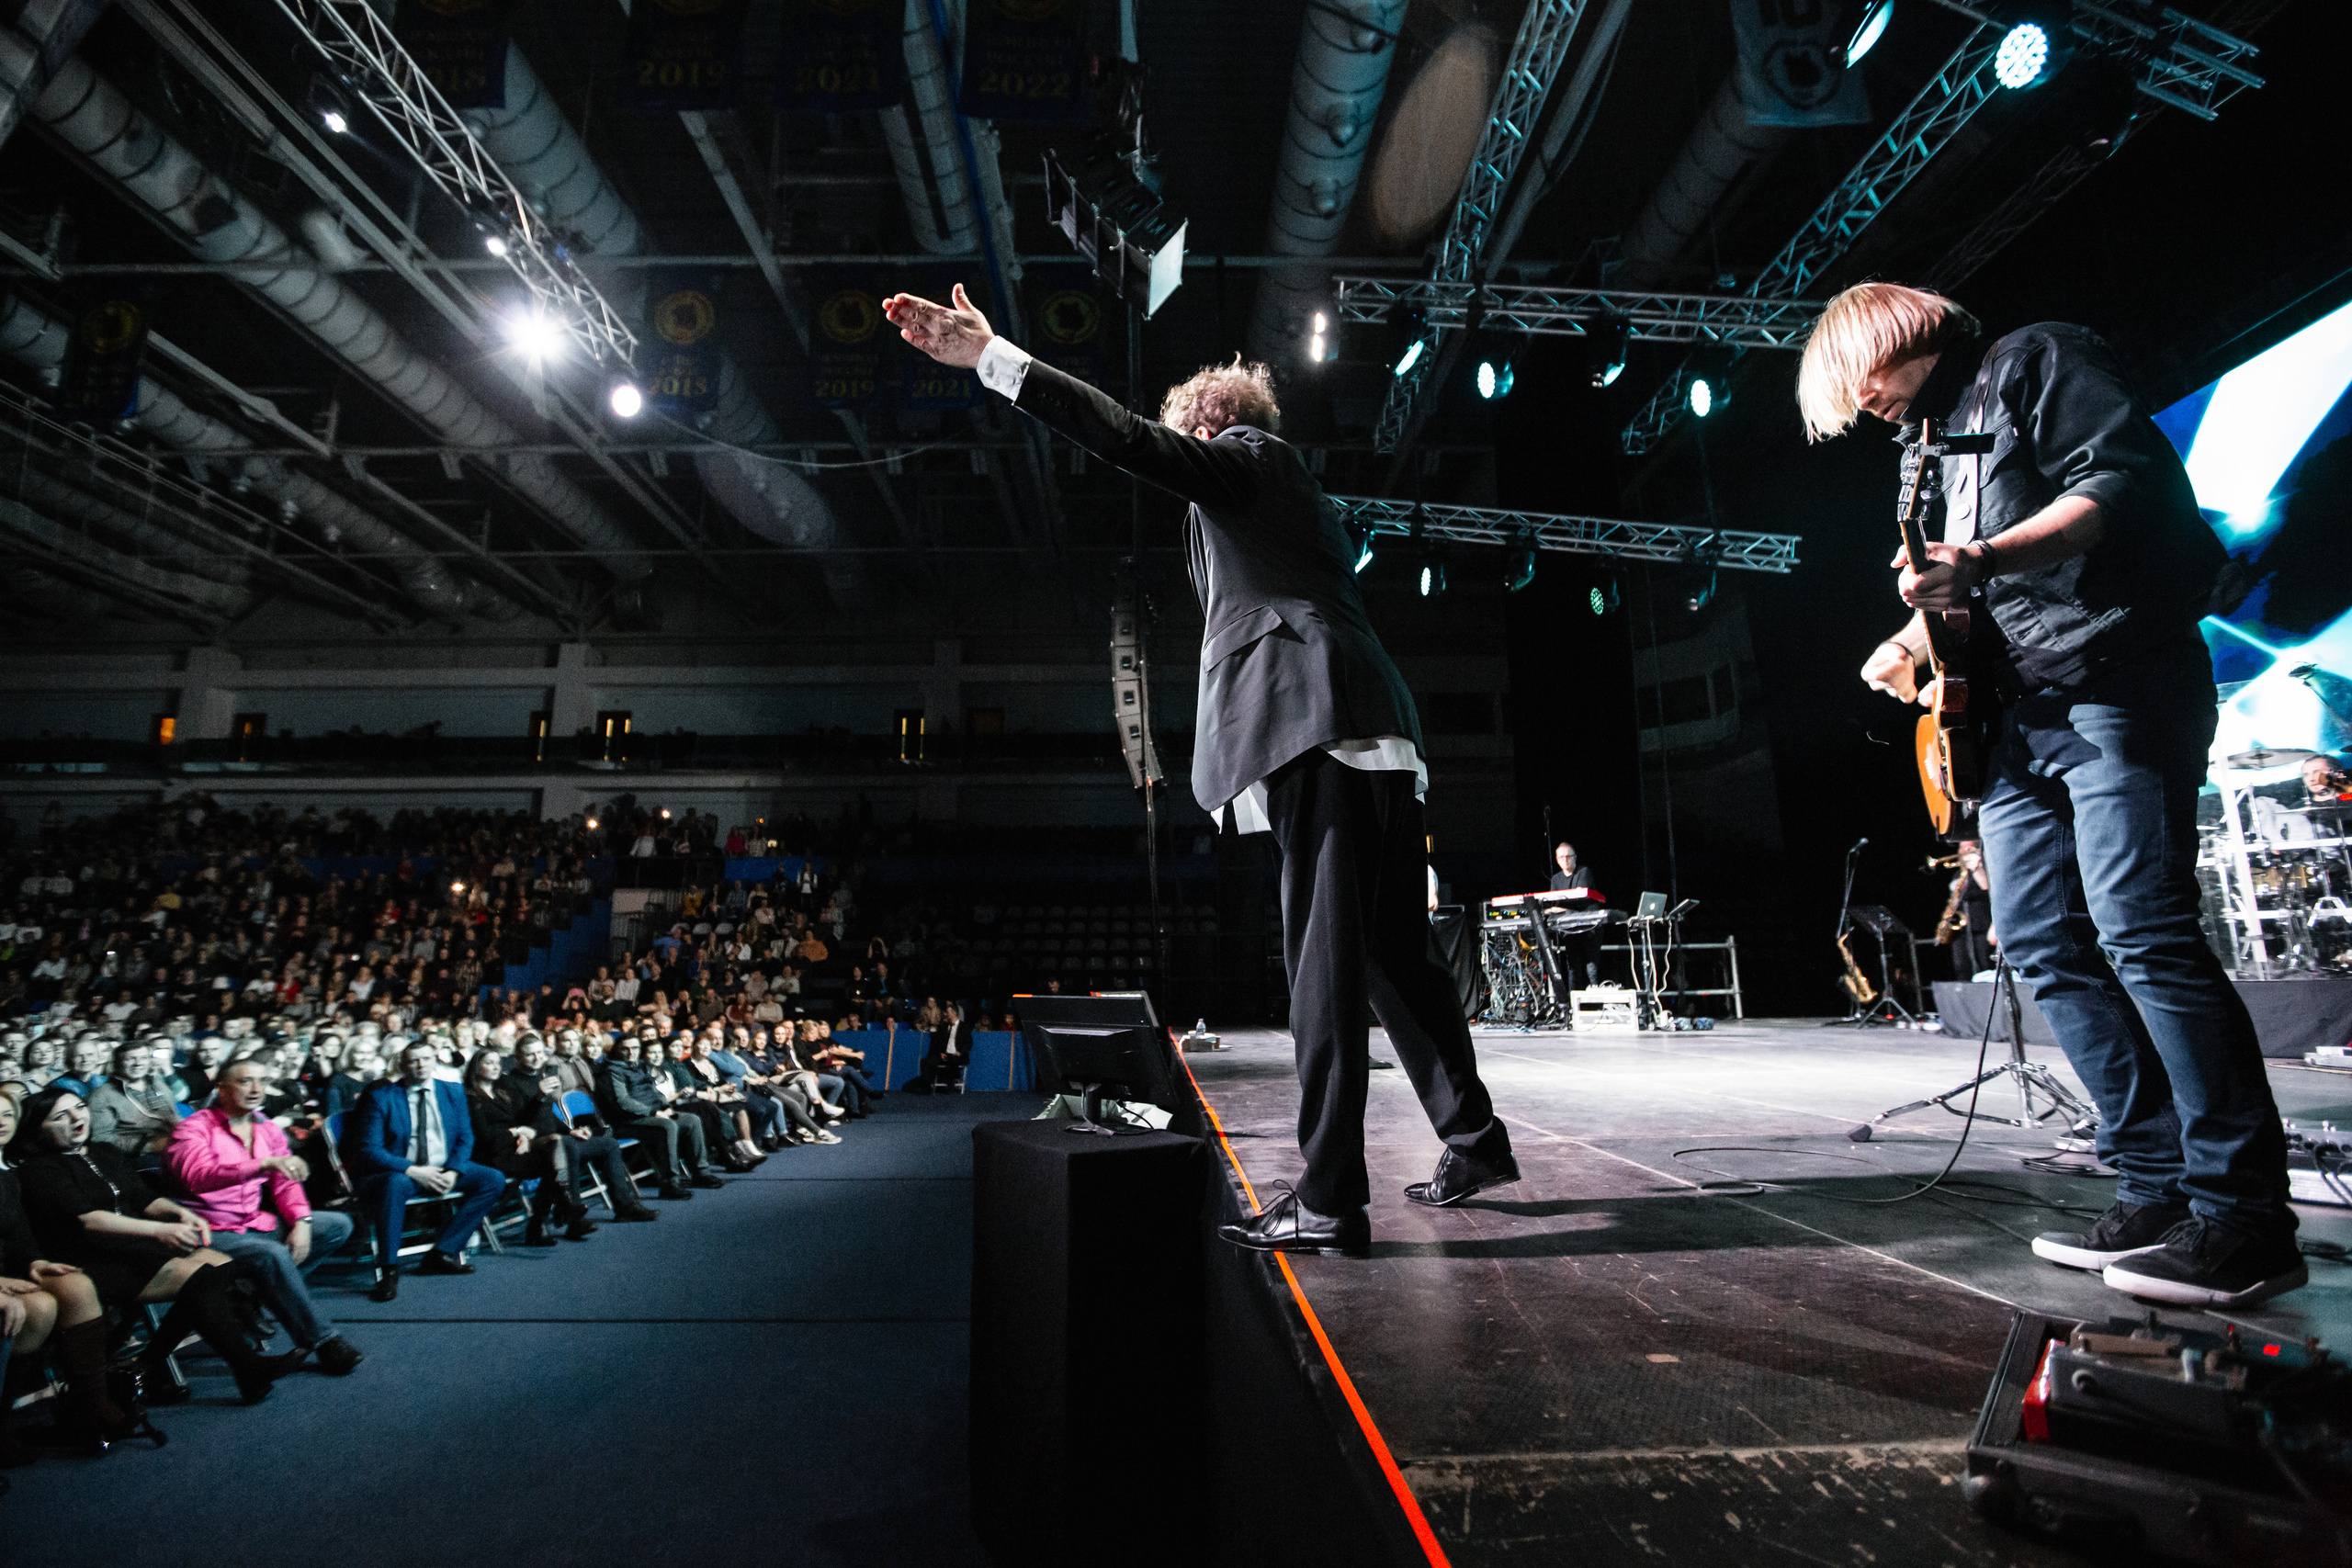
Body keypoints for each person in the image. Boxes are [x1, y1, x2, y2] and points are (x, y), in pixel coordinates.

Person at [887, 284, 1515, 1257]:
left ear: (1211, 419)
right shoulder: (1283, 503)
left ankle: (1329, 1197)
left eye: (1186, 422)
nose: (1176, 439)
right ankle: (1471, 1137)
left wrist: (993, 360)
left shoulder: (1244, 460)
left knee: (1324, 964)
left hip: (1314, 725)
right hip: (1366, 726)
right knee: (1395, 956)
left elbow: (1127, 440)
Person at [1806, 280, 2300, 1307]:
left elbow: (2114, 487)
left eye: (1859, 384)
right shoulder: (1927, 444)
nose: (1861, 410)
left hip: (2117, 679)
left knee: (2145, 931)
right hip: (2017, 713)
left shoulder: (2032, 360)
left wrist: (1976, 558)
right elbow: (1968, 590)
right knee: (2037, 943)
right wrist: (1912, 638)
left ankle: (2245, 1218)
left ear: (1889, 337)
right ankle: (2156, 1183)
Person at [11, 1087, 303, 1405]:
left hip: (133, 1245)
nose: (76, 1118)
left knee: (221, 1266)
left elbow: (144, 1198)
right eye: (59, 1117)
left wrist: (181, 1214)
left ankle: (153, 1365)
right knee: (201, 1277)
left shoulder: (104, 1151)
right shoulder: (38, 1169)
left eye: (79, 1107)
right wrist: (159, 1230)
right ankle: (243, 1367)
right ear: (38, 1129)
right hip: (88, 1255)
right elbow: (88, 1219)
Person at [164, 1057, 363, 1376]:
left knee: (337, 1226)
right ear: (222, 1088)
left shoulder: (266, 1127)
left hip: (252, 1223)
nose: (257, 1089)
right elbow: (197, 1176)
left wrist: (302, 1222)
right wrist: (262, 1165)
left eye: (262, 1080)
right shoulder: (194, 1127)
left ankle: (251, 1296)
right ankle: (325, 1342)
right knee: (270, 1255)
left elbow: (287, 1181)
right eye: (245, 1081)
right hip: (208, 1229)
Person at [1, 1089, 152, 1456]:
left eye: (6, 1114)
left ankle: (92, 1404)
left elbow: (18, 1230)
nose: (1, 1122)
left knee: (75, 1285)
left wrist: (34, 1261)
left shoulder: (6, 1169)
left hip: (12, 1267)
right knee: (36, 1309)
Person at [342, 1041, 508, 1303]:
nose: (421, 1065)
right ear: (403, 1065)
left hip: (444, 1168)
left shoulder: (452, 1092)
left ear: (435, 1061)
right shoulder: (382, 1097)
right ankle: (388, 1270)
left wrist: (453, 1171)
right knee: (394, 1185)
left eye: (427, 1059)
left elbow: (465, 1138)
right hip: (403, 1173)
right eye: (413, 1060)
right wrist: (415, 1171)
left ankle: (442, 1252)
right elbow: (369, 1150)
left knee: (493, 1179)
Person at [596, 1032, 723, 1199]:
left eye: (635, 1048)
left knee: (692, 1120)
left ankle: (701, 1173)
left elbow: (654, 1090)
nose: (631, 1052)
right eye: (625, 1049)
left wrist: (664, 1105)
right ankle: (670, 1184)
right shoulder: (612, 1071)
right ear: (617, 1050)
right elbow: (623, 1102)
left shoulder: (639, 1065)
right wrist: (654, 1112)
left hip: (651, 1114)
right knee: (668, 1126)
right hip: (627, 1121)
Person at [85, 1040, 182, 1156]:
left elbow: (174, 1115)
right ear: (117, 1064)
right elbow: (102, 1139)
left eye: (144, 1058)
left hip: (175, 1144)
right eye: (130, 1059)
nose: (138, 1063)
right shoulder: (102, 1095)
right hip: (139, 1156)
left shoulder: (158, 1084)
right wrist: (150, 1146)